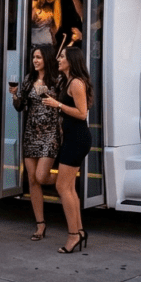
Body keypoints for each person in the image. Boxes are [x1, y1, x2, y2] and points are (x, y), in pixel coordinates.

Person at [41, 46, 94, 254]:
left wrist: (57, 105)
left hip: (77, 139)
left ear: (71, 60)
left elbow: (82, 114)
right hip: (72, 138)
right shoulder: (68, 81)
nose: (58, 59)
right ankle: (78, 232)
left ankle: (73, 235)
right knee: (69, 188)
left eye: (62, 57)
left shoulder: (77, 84)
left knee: (63, 187)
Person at [10, 45, 61, 241]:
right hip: (31, 133)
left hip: (49, 133)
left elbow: (59, 102)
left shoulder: (57, 79)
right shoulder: (29, 79)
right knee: (32, 180)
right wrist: (15, 94)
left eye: (39, 57)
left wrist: (47, 94)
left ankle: (64, 180)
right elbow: (20, 106)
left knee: (41, 176)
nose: (35, 61)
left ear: (47, 58)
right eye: (34, 57)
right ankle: (40, 224)